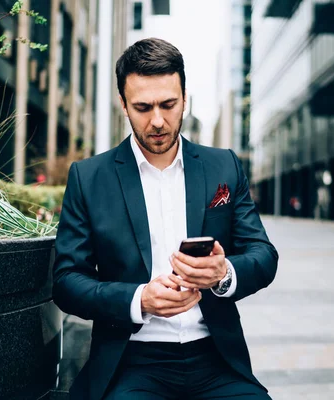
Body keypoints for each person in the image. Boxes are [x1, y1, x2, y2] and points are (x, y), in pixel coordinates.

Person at [53, 37, 278, 400]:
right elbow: (66, 282)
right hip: (132, 361)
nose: (157, 121)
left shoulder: (224, 166)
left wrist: (224, 274)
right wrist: (139, 299)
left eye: (169, 104)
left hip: (216, 358)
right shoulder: (89, 178)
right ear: (123, 104)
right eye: (142, 107)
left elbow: (264, 256)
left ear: (185, 98)